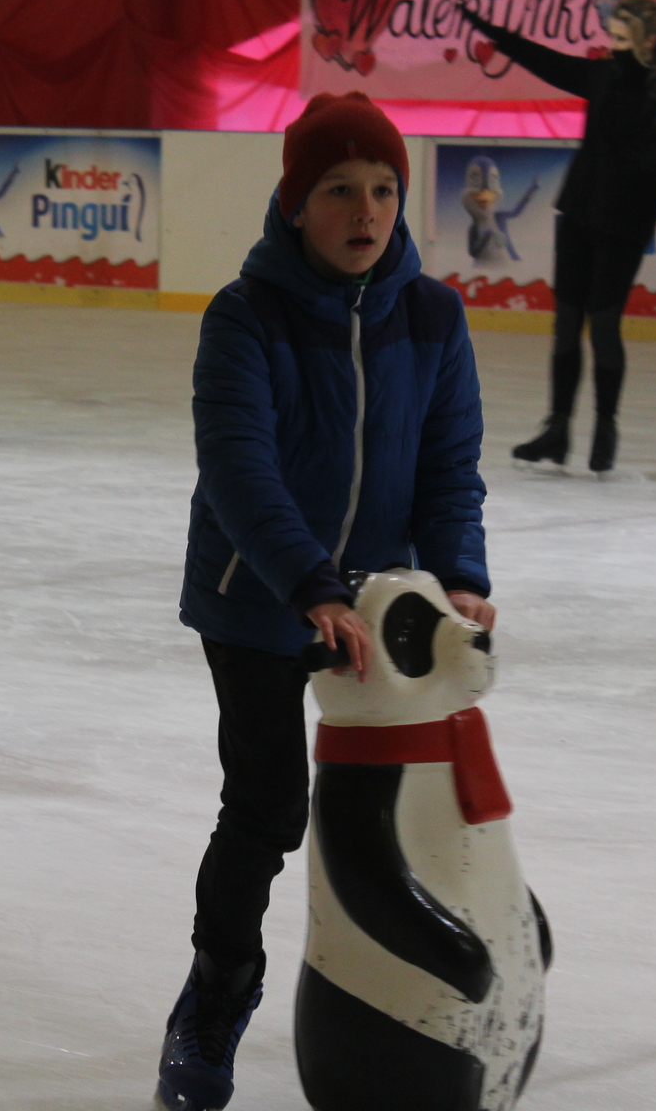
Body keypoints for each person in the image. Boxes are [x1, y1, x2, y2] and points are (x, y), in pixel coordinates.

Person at [157, 92, 495, 1111]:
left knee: (387, 820)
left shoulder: (431, 316)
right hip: (259, 597)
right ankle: (214, 995)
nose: (367, 211)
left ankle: (385, 991)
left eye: (385, 189)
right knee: (265, 812)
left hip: (382, 602)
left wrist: (462, 574)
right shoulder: (244, 315)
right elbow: (240, 469)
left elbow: (450, 466)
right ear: (295, 202)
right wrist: (310, 585)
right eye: (340, 190)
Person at [459, 0, 656, 473]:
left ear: (649, 43)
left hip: (623, 224)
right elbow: (546, 61)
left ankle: (605, 427)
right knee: (565, 325)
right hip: (579, 211)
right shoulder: (603, 75)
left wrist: (637, 153)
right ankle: (557, 429)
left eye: (622, 40)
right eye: (612, 39)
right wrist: (493, 32)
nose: (613, 48)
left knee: (603, 327)